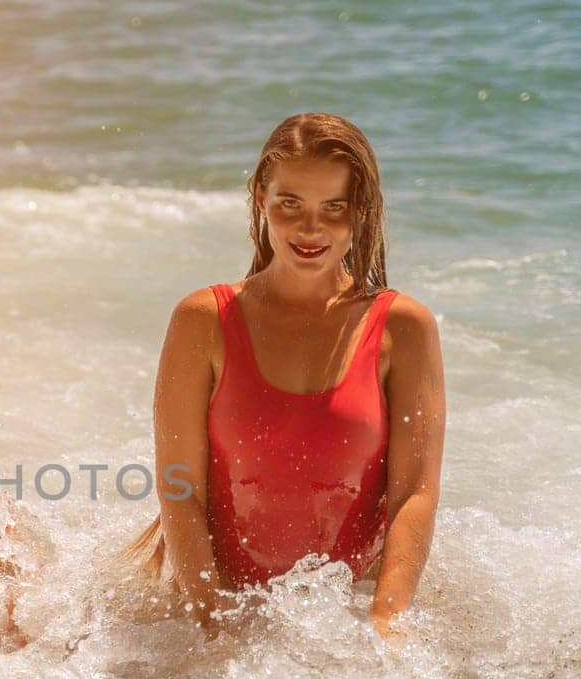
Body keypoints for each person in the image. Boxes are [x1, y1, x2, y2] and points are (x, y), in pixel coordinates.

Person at [130, 113, 445, 640]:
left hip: (348, 608)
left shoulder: (403, 328)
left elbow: (415, 492)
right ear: (260, 198)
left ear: (361, 211)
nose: (310, 229)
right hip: (216, 600)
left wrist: (387, 622)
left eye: (334, 209)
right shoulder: (203, 320)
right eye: (290, 203)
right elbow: (180, 491)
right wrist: (211, 625)